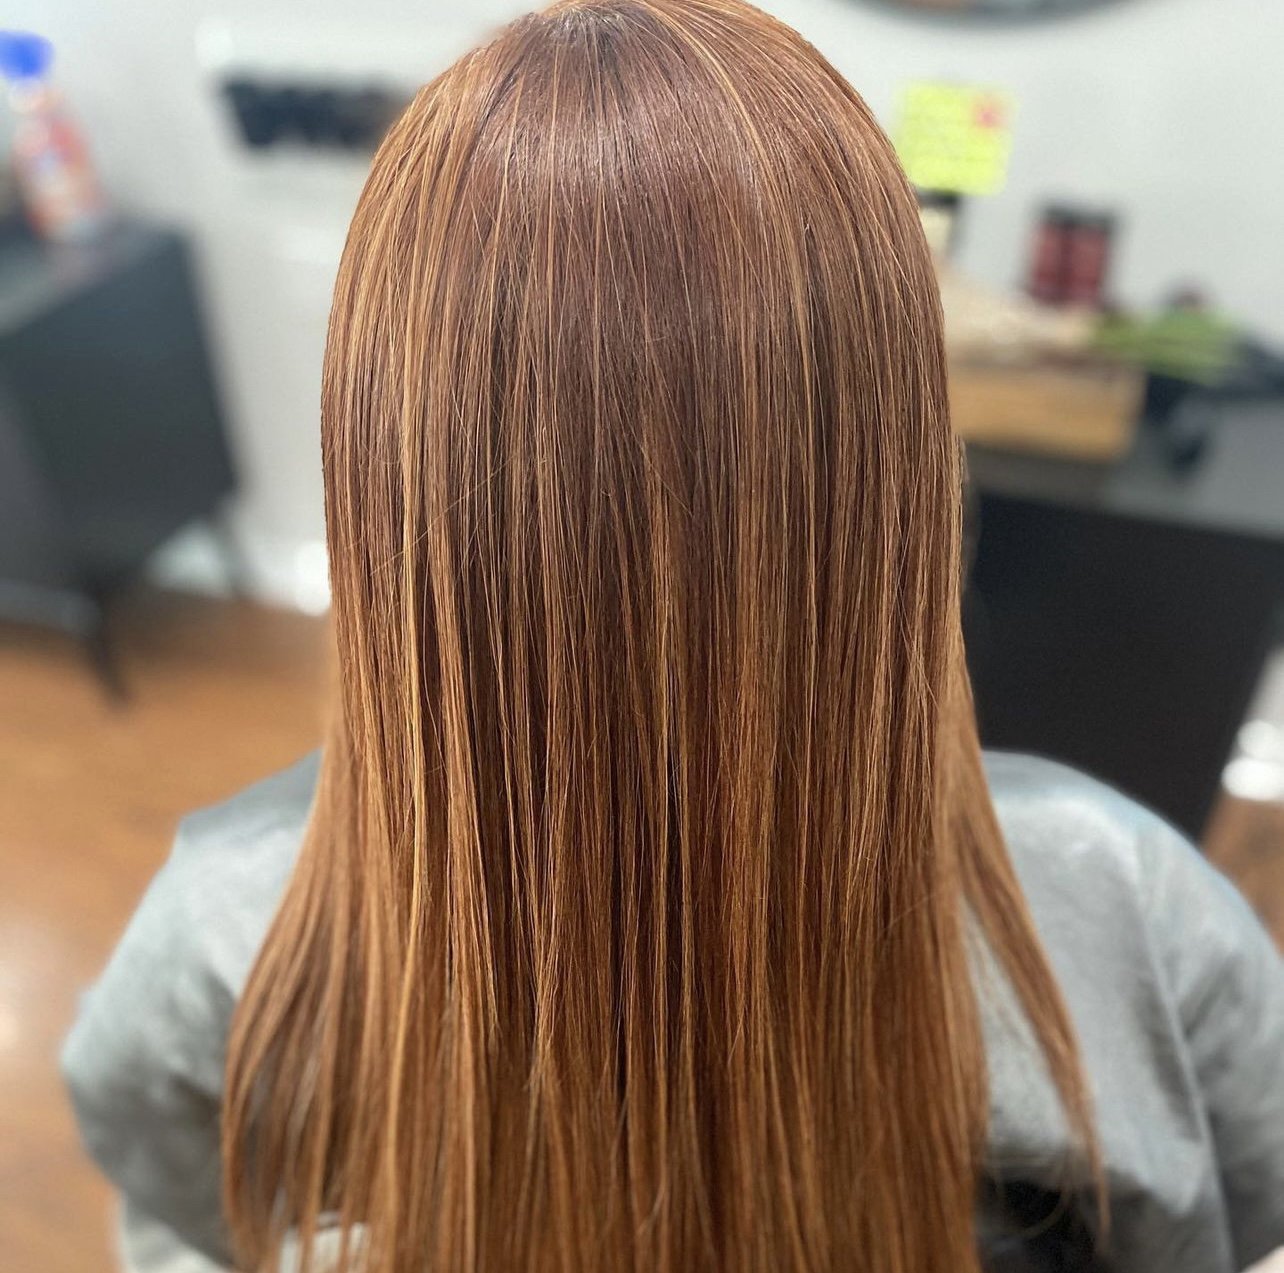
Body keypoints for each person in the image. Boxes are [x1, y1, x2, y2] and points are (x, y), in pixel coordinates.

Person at [62, 2, 1284, 1271]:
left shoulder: (221, 943)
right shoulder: (1130, 917)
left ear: (384, 483)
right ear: (903, 471)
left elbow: (179, 1222)